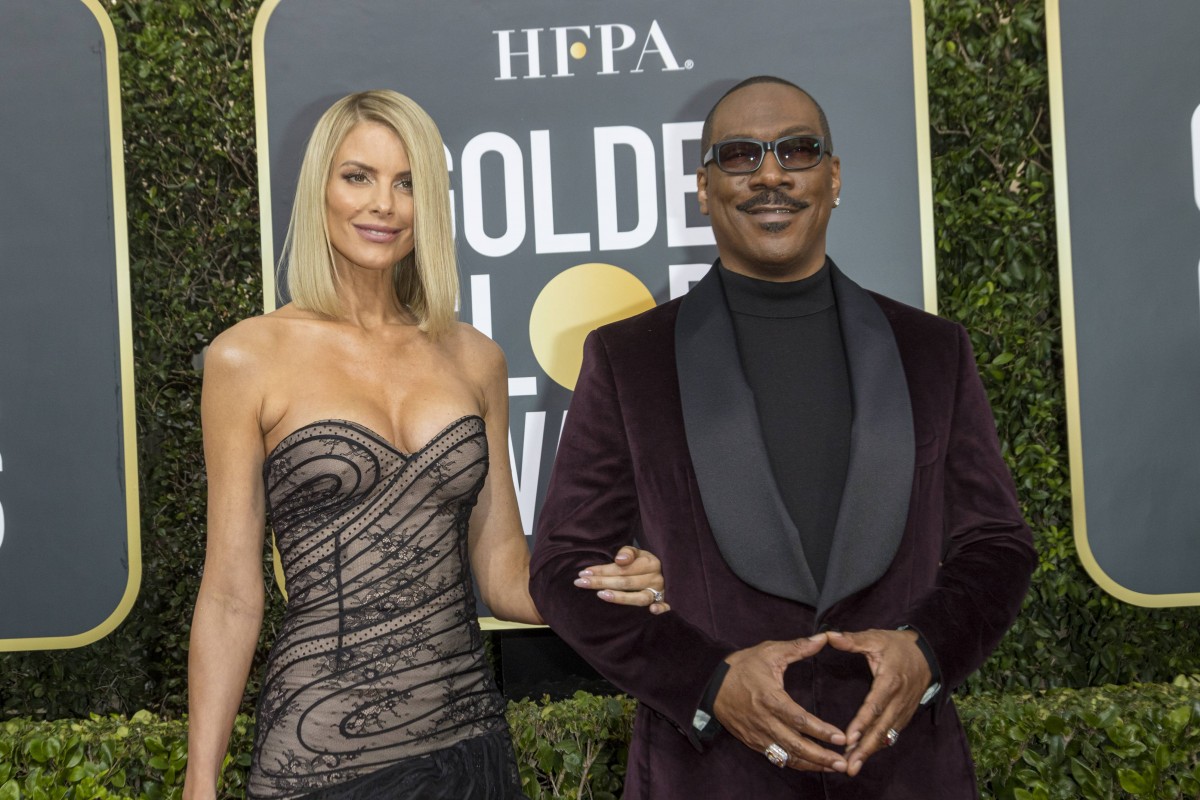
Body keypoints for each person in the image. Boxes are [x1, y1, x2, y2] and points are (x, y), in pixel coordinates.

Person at [529, 75, 1037, 798]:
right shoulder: (628, 360)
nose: (771, 174)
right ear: (703, 189)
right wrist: (708, 684)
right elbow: (563, 569)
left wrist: (925, 652)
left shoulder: (932, 352)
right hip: (710, 776)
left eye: (797, 151)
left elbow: (997, 544)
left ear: (833, 179)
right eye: (739, 155)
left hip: (902, 774)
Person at [182, 90, 668, 800]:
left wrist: (608, 586)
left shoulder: (474, 358)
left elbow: (503, 573)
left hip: (469, 749)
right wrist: (200, 783)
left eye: (407, 182)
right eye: (359, 176)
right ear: (320, 186)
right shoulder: (247, 359)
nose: (384, 203)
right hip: (321, 759)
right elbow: (230, 593)